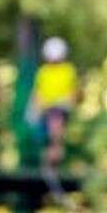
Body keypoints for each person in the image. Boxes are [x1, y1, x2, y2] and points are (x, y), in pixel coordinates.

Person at [30, 36, 78, 168]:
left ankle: (54, 157)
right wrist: (35, 109)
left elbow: (73, 92)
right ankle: (51, 157)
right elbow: (38, 93)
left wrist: (69, 103)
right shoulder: (43, 72)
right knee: (49, 134)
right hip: (46, 109)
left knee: (55, 131)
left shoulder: (68, 70)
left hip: (60, 108)